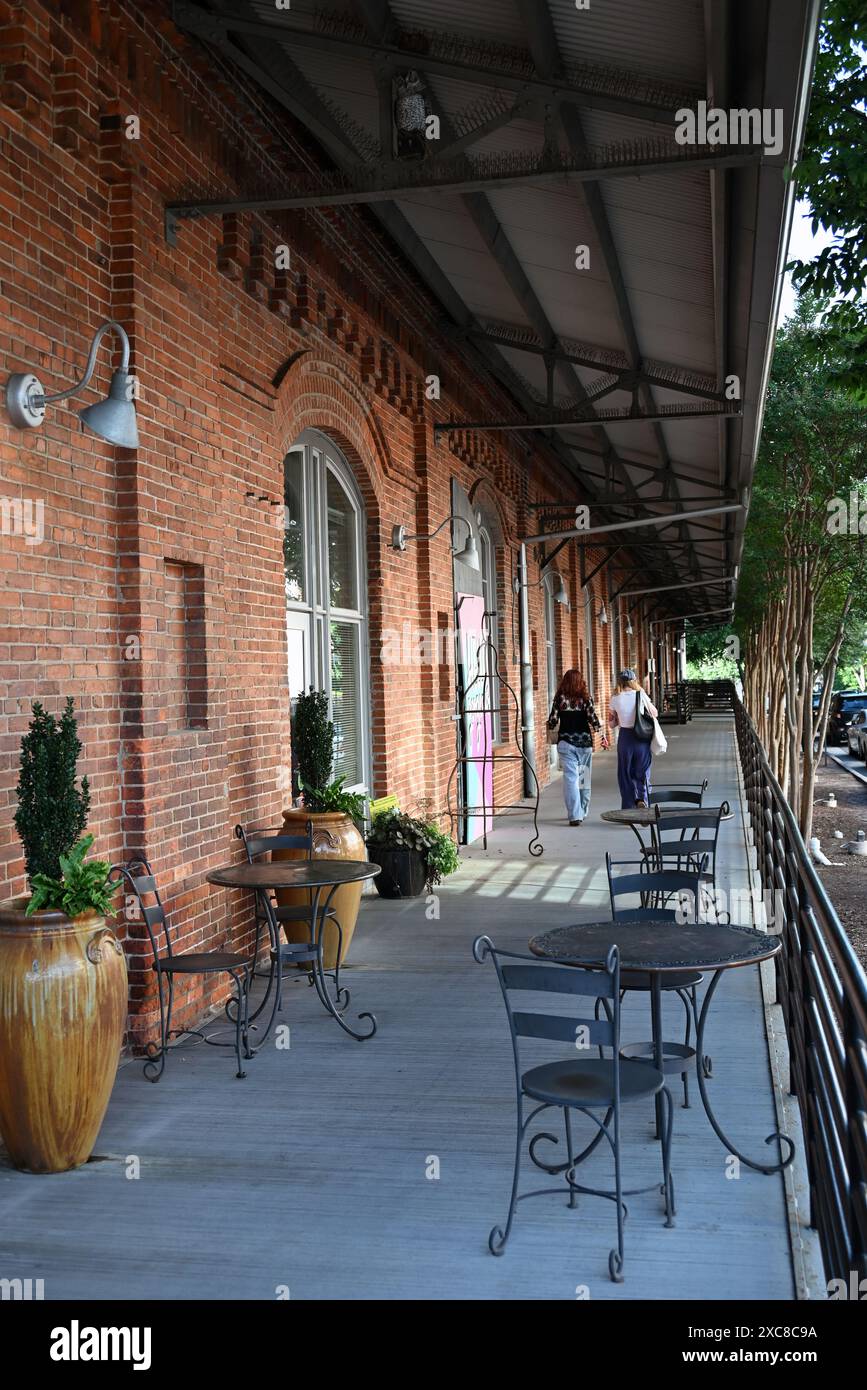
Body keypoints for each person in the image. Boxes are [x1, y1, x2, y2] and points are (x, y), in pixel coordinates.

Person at [547, 668, 608, 826]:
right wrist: (603, 737)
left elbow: (552, 721)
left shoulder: (559, 699)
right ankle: (583, 810)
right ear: (581, 682)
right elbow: (594, 720)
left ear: (565, 682)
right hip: (584, 744)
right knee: (584, 778)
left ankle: (575, 815)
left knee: (571, 780)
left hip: (566, 743)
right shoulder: (585, 699)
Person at [609, 669, 658, 810]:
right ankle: (643, 800)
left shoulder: (615, 698)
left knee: (625, 773)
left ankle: (628, 806)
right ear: (634, 681)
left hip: (625, 738)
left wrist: (620, 717)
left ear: (620, 682)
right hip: (641, 737)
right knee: (642, 771)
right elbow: (654, 713)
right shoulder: (640, 694)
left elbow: (611, 724)